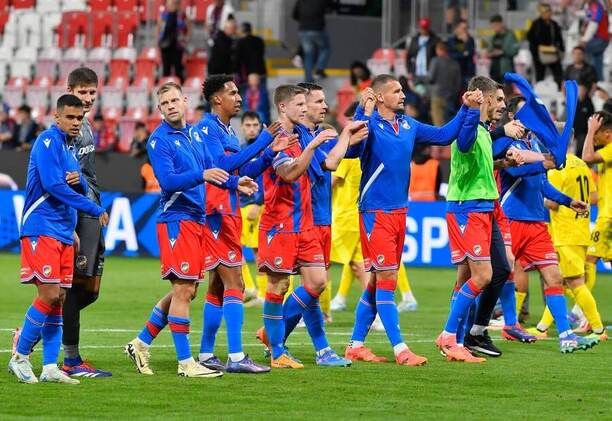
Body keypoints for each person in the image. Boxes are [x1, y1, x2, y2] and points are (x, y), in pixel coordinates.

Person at [124, 82, 256, 378]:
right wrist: (202, 175)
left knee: (187, 289)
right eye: (165, 103)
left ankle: (140, 343)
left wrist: (237, 183)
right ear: (160, 110)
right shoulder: (159, 140)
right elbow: (168, 182)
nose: (171, 106)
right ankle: (186, 362)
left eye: (174, 100)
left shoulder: (195, 135)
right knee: (183, 288)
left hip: (197, 219)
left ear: (185, 102)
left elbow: (215, 168)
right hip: (176, 218)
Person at [346, 75, 472, 366]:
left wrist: (465, 108)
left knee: (377, 281)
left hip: (400, 211)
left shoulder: (408, 125)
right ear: (379, 97)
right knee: (387, 280)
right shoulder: (370, 125)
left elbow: (443, 135)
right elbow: (351, 150)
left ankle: (354, 346)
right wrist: (361, 110)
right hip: (376, 212)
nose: (403, 95)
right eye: (396, 91)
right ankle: (400, 349)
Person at [195, 74, 295, 374]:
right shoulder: (206, 128)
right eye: (233, 93)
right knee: (235, 282)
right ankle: (236, 357)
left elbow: (243, 166)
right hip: (214, 211)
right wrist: (263, 140)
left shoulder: (226, 131)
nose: (239, 98)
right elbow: (221, 167)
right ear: (217, 99)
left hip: (227, 210)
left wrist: (269, 153)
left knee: (217, 286)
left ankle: (205, 352)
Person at [8, 94, 109, 384]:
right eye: (70, 117)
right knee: (50, 294)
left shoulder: (69, 150)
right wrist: (92, 207)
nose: (76, 122)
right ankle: (21, 356)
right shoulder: (48, 142)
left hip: (63, 232)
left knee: (61, 298)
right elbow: (53, 186)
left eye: (79, 118)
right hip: (42, 228)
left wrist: (72, 230)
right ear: (57, 117)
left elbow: (71, 190)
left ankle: (51, 366)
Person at [254, 84, 355, 368]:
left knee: (317, 282)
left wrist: (344, 134)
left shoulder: (303, 135)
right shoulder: (278, 138)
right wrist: (312, 145)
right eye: (300, 104)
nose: (305, 108)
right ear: (284, 107)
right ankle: (278, 351)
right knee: (279, 284)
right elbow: (288, 173)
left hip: (307, 223)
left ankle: (273, 334)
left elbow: (330, 163)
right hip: (281, 224)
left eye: (304, 103)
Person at [499, 97, 599, 353]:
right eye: (525, 112)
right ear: (512, 116)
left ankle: (566, 335)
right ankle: (499, 324)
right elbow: (516, 172)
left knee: (554, 276)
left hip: (537, 224)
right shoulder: (505, 142)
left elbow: (542, 184)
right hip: (511, 219)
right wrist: (545, 161)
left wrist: (567, 201)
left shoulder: (534, 143)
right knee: (496, 276)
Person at [435, 76, 508, 363]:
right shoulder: (470, 127)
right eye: (499, 99)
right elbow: (463, 144)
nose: (503, 105)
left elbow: (478, 164)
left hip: (481, 208)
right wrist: (470, 110)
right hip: (469, 208)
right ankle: (450, 336)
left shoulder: (484, 131)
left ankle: (457, 339)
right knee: (484, 276)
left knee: (466, 277)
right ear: (486, 99)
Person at [56, 68, 113, 378]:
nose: (89, 99)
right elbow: (66, 177)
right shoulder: (66, 130)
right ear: (70, 90)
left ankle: (32, 329)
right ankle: (71, 359)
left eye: (92, 93)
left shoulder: (87, 127)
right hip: (77, 212)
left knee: (90, 290)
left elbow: (86, 174)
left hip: (91, 209)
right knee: (75, 287)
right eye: (82, 93)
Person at [530, 122, 607, 341]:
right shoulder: (581, 164)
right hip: (581, 230)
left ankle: (598, 329)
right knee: (559, 282)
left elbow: (553, 203)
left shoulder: (558, 165)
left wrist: (532, 197)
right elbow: (592, 197)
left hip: (565, 231)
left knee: (575, 283)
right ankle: (543, 328)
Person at [581, 111, 612, 318]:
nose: (595, 136)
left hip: (608, 217)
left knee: (589, 260)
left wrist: (589, 130)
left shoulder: (611, 149)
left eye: (598, 133)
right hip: (606, 213)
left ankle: (581, 315)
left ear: (608, 133)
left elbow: (586, 157)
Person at [238, 111, 267, 306]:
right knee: (233, 247)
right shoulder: (241, 150)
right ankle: (251, 288)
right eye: (247, 125)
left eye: (255, 125)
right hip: (241, 206)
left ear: (260, 126)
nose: (251, 129)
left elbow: (265, 179)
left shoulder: (264, 151)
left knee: (259, 252)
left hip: (257, 206)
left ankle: (262, 294)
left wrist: (258, 203)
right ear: (242, 127)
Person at [527, 3, 565, 89]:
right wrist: (535, 55)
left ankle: (558, 90)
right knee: (539, 75)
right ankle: (539, 92)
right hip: (539, 54)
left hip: (553, 52)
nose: (548, 14)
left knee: (558, 74)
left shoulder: (554, 24)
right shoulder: (536, 24)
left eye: (549, 11)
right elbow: (531, 39)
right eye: (546, 12)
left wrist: (561, 49)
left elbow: (559, 38)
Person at [293, 0, 333, 82]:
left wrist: (304, 20)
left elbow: (294, 15)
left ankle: (308, 79)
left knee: (308, 55)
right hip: (317, 29)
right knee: (325, 48)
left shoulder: (301, 1)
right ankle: (319, 69)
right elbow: (329, 8)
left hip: (303, 30)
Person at [429, 41, 462, 126]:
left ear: (440, 50)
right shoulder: (455, 63)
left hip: (437, 95)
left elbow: (431, 78)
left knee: (438, 124)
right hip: (450, 97)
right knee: (449, 122)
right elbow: (458, 82)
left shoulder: (435, 61)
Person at [157, 0, 190, 82]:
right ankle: (166, 89)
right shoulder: (163, 15)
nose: (173, 5)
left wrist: (185, 38)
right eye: (171, 3)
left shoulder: (182, 15)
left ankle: (180, 88)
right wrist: (158, 42)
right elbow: (159, 30)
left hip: (178, 45)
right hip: (166, 45)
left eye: (175, 3)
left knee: (178, 68)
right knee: (166, 69)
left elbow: (188, 27)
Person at [580, 0, 609, 81]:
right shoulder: (590, 6)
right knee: (598, 61)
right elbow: (588, 18)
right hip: (601, 39)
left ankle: (585, 79)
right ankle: (599, 81)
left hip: (600, 38)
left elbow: (593, 24)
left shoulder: (595, 6)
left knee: (580, 52)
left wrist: (584, 40)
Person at [406, 17, 440, 85]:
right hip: (416, 73)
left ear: (428, 27)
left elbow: (438, 57)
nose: (423, 30)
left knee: (427, 94)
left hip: (429, 73)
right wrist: (409, 70)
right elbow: (409, 56)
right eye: (422, 27)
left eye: (425, 27)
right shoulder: (414, 40)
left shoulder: (435, 40)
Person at [487, 15, 519, 84]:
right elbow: (489, 51)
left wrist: (502, 52)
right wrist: (489, 53)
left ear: (501, 24)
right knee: (495, 93)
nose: (493, 28)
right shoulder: (493, 37)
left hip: (506, 70)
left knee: (508, 93)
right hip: (494, 71)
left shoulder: (510, 35)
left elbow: (515, 51)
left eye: (495, 25)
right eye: (492, 26)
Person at [447, 19, 476, 87]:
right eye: (463, 28)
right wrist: (463, 54)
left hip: (467, 71)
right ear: (457, 28)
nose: (465, 30)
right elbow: (451, 55)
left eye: (466, 28)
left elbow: (471, 52)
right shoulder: (452, 40)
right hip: (455, 70)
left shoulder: (470, 40)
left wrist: (466, 42)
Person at [574, 80, 595, 157]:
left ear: (585, 91)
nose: (580, 91)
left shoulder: (589, 103)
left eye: (582, 89)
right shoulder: (575, 102)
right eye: (579, 89)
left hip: (583, 132)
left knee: (580, 151)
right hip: (574, 131)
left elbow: (591, 118)